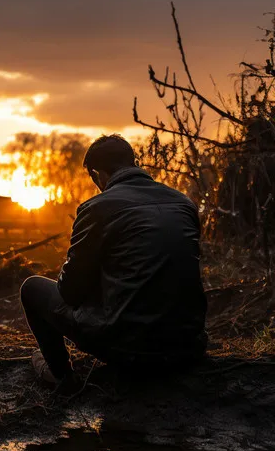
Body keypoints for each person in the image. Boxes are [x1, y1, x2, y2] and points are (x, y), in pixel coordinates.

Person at [20, 134, 207, 386]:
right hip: (189, 347)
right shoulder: (183, 203)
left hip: (131, 352)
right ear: (134, 162)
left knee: (31, 287)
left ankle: (61, 377)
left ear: (98, 175)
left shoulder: (97, 208)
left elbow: (71, 293)